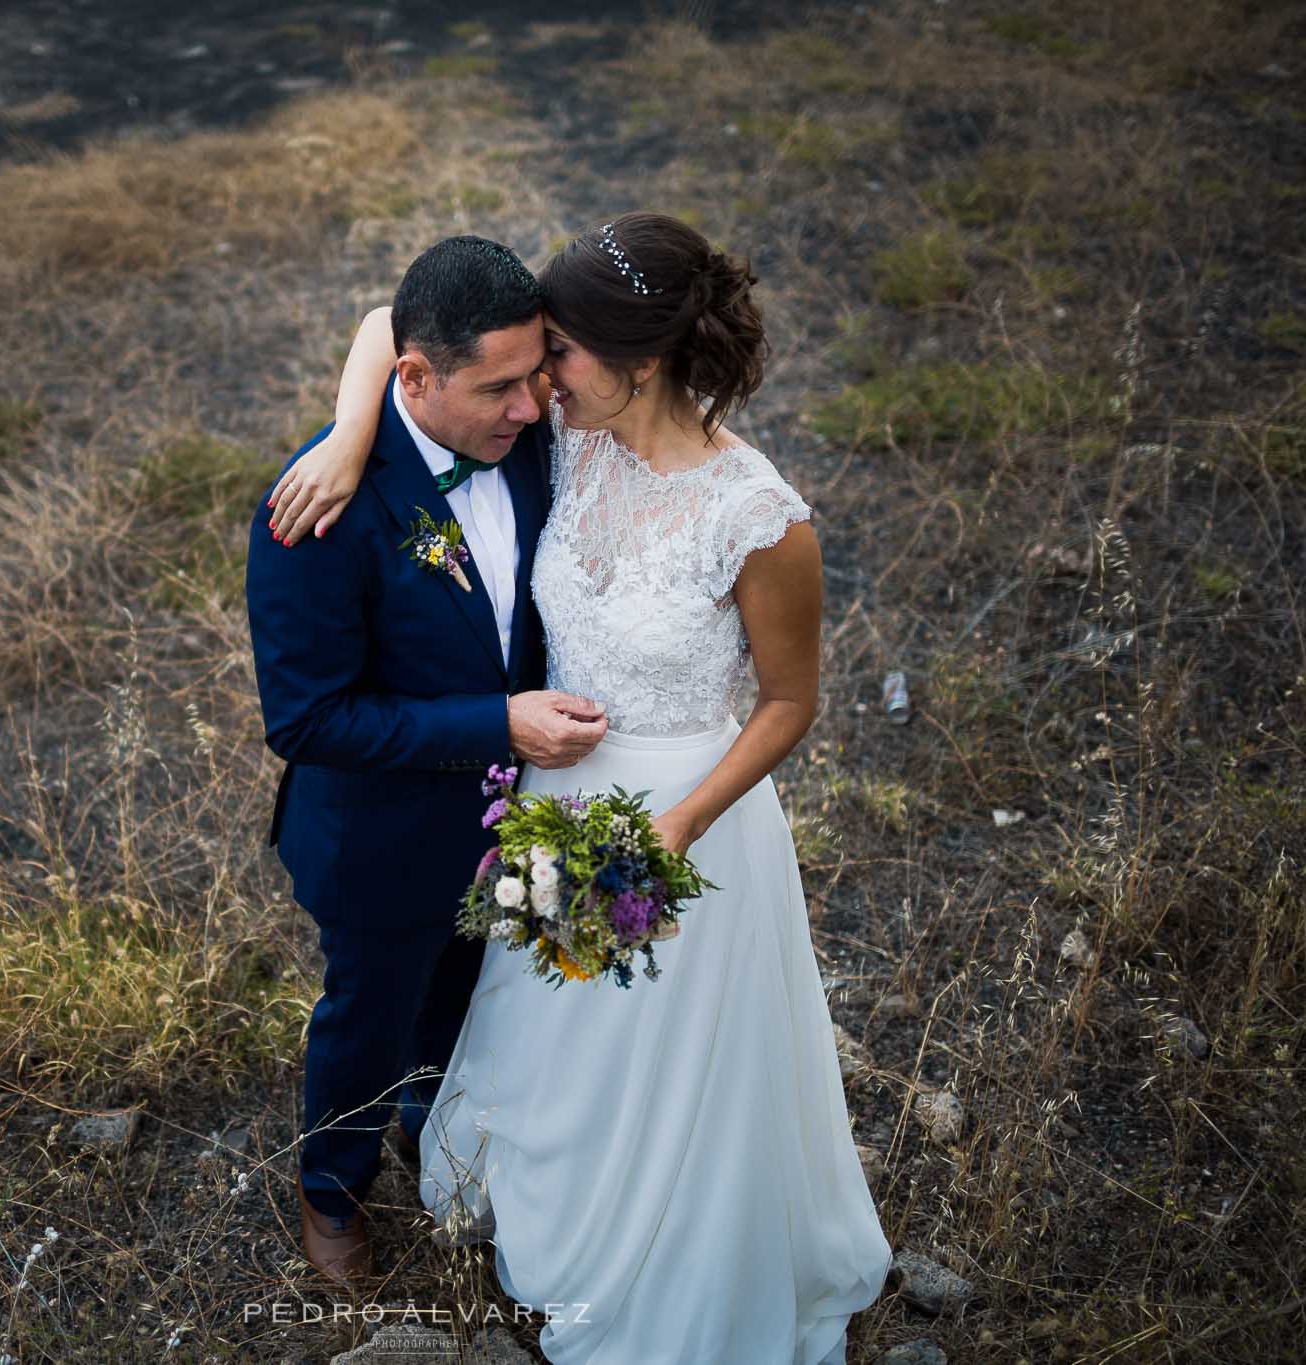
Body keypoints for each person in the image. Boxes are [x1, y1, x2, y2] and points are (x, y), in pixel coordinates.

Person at [265, 212, 890, 1363]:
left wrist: (681, 825)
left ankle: (640, 1236)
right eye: (525, 363)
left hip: (667, 820)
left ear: (631, 363)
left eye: (551, 355)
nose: (533, 385)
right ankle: (363, 1190)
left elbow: (790, 699)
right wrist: (354, 431)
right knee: (470, 1017)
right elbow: (392, 327)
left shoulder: (718, 499)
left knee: (618, 1039)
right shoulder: (525, 437)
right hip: (508, 805)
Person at [244, 235, 610, 1284]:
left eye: (532, 379)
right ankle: (331, 1195)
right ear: (414, 379)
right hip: (384, 840)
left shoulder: (528, 443)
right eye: (497, 388)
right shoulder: (317, 509)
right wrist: (495, 725)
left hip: (519, 822)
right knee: (369, 1017)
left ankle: (438, 1128)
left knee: (472, 1000)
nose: (526, 409)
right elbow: (308, 722)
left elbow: (382, 321)